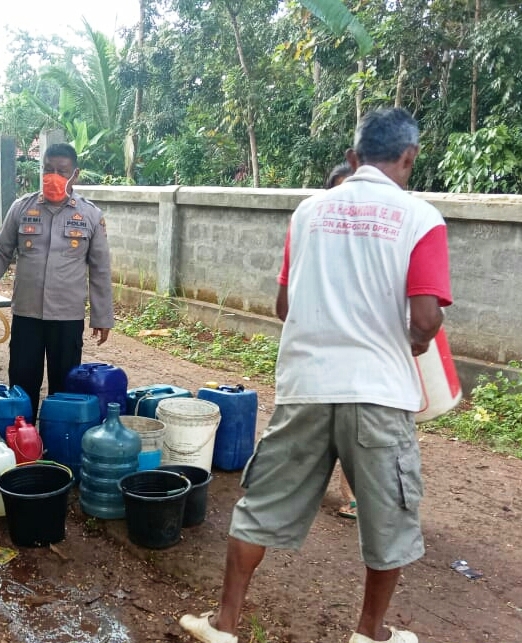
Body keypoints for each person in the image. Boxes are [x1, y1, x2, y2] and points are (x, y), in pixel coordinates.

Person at [180, 107, 452, 643]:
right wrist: (419, 338)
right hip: (378, 393)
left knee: (260, 505)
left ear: (353, 157)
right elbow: (424, 320)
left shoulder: (308, 213)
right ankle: (370, 633)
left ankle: (224, 623)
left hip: (305, 386)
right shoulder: (421, 218)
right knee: (388, 517)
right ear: (409, 157)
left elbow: (285, 305)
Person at [0, 142, 114, 418]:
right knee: (22, 384)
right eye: (48, 169)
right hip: (27, 314)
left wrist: (102, 316)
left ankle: (56, 446)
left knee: (64, 388)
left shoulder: (90, 215)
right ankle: (23, 444)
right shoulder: (22, 208)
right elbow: (1, 251)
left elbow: (100, 269)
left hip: (67, 317)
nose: (54, 176)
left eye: (62, 171)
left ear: (75, 175)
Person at [325, 160, 359, 520]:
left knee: (352, 421)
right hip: (323, 346)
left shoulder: (373, 240)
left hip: (358, 349)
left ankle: (351, 493)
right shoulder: (318, 234)